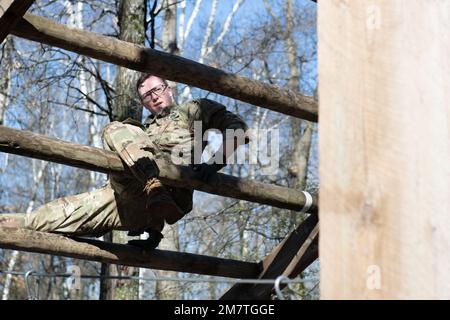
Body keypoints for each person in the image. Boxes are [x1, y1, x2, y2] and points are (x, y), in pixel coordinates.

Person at [0, 74, 248, 250]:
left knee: (118, 128)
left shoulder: (193, 111)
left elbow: (238, 128)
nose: (154, 98)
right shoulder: (142, 131)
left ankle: (153, 184)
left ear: (169, 88)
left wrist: (214, 162)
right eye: (146, 96)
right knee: (43, 219)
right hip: (124, 195)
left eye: (157, 90)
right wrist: (154, 230)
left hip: (169, 190)